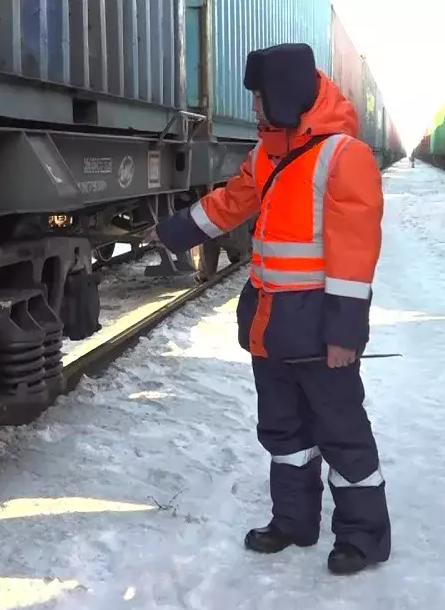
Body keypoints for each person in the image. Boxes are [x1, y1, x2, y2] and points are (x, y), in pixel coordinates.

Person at [146, 43, 390, 575]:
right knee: (284, 433)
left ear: (284, 95)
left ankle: (363, 537)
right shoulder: (267, 155)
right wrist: (170, 232)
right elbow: (228, 204)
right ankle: (294, 522)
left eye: (259, 98)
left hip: (323, 328)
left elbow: (354, 256)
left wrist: (345, 335)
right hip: (271, 324)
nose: (254, 108)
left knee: (341, 432)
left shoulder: (344, 156)